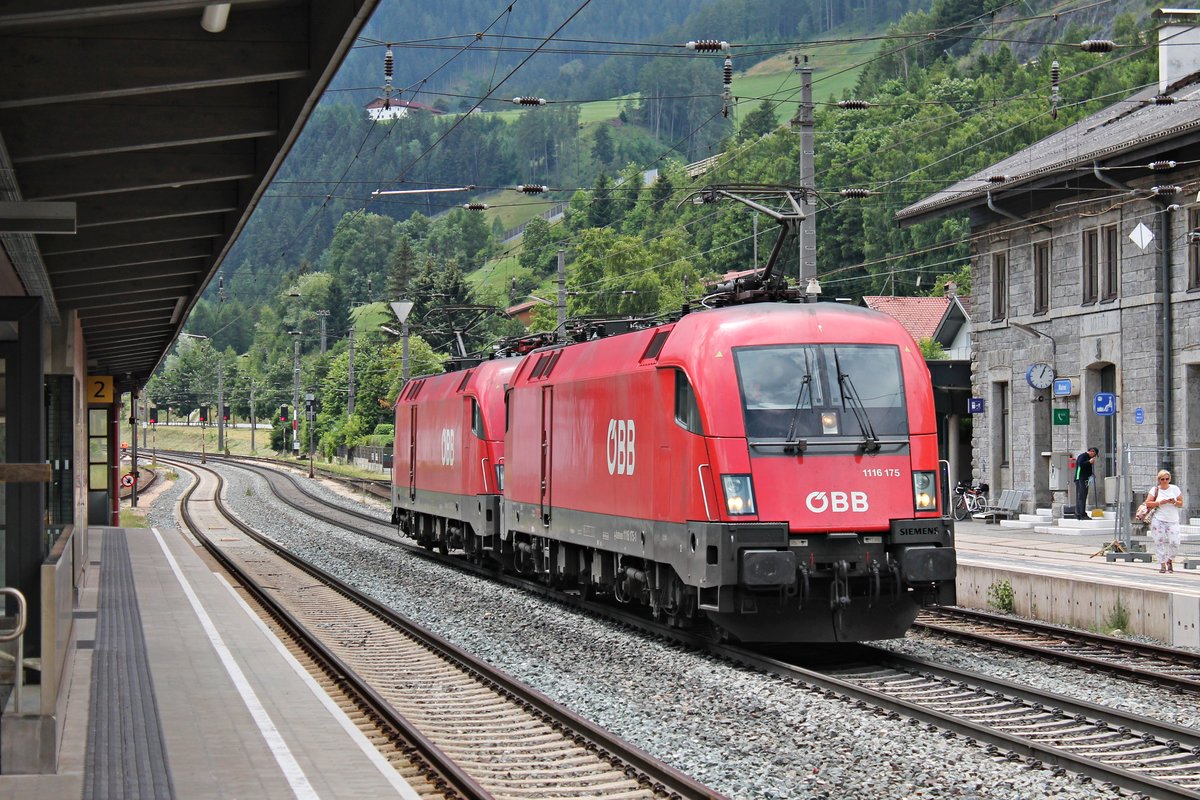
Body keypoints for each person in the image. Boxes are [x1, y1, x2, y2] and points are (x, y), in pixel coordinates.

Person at [1146, 469, 1184, 574]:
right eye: (1162, 479)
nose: (1165, 481)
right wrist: (1159, 502)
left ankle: (1170, 560)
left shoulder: (1174, 489)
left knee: (1175, 542)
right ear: (1159, 480)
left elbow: (1181, 503)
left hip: (1173, 519)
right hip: (1159, 519)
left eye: (1167, 479)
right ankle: (1162, 564)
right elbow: (1148, 503)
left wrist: (1174, 502)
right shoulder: (1155, 490)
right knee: (1159, 541)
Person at [1073, 446, 1099, 520]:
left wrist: (1091, 473)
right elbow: (1081, 464)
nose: (1094, 456)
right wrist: (1089, 462)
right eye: (1094, 454)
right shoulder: (1083, 456)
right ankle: (1082, 514)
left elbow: (1086, 468)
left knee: (1081, 496)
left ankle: (1078, 513)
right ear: (1092, 451)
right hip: (1081, 478)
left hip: (1084, 478)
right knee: (1082, 496)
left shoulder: (1086, 457)